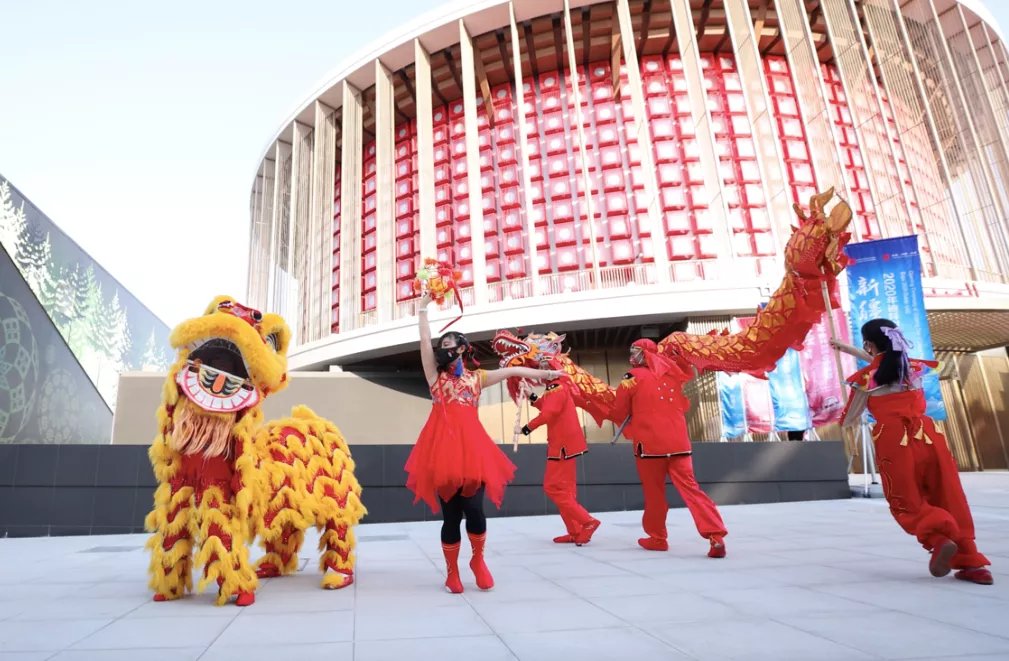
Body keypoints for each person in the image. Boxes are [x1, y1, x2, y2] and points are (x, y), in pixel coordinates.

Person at [405, 294, 563, 594]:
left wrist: (545, 374)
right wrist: (424, 307)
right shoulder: (434, 378)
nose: (442, 350)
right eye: (442, 347)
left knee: (475, 511)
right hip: (442, 453)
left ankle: (478, 560)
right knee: (450, 515)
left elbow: (514, 371)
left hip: (473, 452)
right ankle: (452, 572)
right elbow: (425, 341)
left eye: (448, 346)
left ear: (462, 349)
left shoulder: (478, 379)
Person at [832, 319, 992, 585]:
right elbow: (884, 361)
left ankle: (938, 538)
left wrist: (849, 400)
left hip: (895, 441)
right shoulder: (914, 368)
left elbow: (849, 418)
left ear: (869, 344)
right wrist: (848, 349)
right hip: (928, 436)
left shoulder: (866, 380)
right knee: (948, 493)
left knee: (906, 500)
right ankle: (973, 563)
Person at [608, 339, 728, 557]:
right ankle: (715, 535)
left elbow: (618, 412)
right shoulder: (673, 374)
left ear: (643, 354)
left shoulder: (631, 378)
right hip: (679, 444)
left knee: (654, 494)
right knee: (692, 490)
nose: (631, 356)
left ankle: (657, 537)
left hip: (650, 447)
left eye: (634, 351)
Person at [521, 376, 601, 545]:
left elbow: (549, 413)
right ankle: (575, 530)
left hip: (561, 445)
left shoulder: (556, 387)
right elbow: (549, 407)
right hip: (566, 443)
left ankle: (587, 522)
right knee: (566, 490)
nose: (541, 369)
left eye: (543, 363)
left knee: (552, 487)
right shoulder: (558, 386)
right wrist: (531, 395)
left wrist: (527, 428)